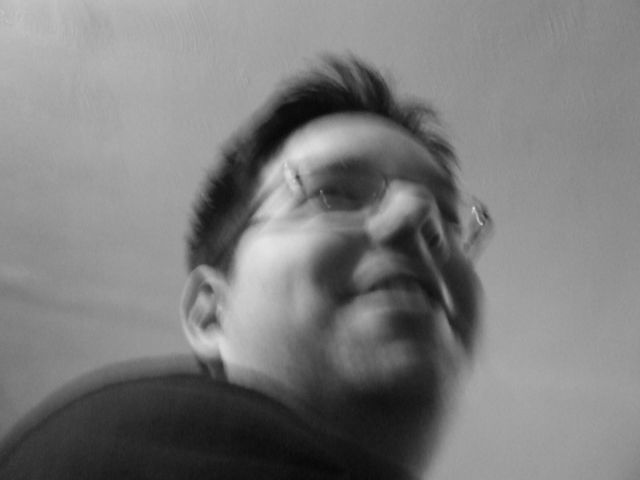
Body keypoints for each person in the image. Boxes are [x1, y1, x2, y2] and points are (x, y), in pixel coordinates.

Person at [0, 55, 492, 480]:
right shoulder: (94, 452)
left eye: (450, 221)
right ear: (210, 313)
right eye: (331, 193)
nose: (419, 216)